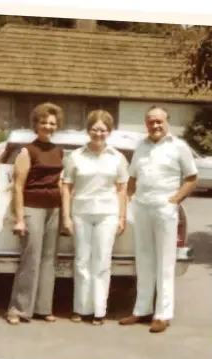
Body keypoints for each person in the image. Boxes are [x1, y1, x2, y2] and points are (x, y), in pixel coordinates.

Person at [119, 106, 198, 333]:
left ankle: (163, 314)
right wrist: (131, 199)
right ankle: (141, 310)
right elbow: (132, 177)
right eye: (151, 122)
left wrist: (174, 200)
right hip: (142, 208)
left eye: (159, 122)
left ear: (167, 122)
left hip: (165, 208)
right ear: (146, 124)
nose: (155, 126)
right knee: (143, 259)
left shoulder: (178, 147)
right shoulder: (141, 147)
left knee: (165, 262)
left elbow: (191, 178)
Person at [61, 110, 129, 325]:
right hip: (81, 213)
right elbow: (66, 187)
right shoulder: (75, 156)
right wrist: (66, 217)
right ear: (88, 130)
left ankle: (99, 310)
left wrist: (121, 217)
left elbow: (121, 189)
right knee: (81, 261)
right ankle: (80, 308)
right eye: (94, 129)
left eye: (103, 129)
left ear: (109, 131)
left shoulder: (117, 157)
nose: (98, 133)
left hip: (107, 215)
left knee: (101, 262)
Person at [5, 102, 64, 325]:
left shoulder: (58, 150)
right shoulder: (26, 151)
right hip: (32, 208)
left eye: (52, 123)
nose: (48, 126)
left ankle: (42, 308)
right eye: (44, 122)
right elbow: (18, 187)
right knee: (30, 259)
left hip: (53, 209)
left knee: (49, 260)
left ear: (56, 125)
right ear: (36, 124)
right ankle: (17, 309)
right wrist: (20, 218)